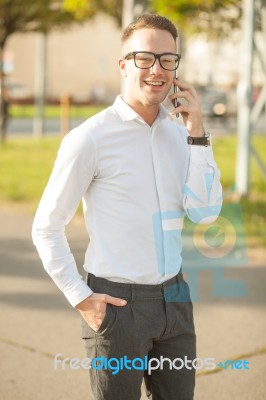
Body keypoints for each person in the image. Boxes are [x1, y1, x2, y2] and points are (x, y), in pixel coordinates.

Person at [32, 13, 222, 400]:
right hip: (116, 305)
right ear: (123, 65)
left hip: (175, 300)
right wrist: (80, 297)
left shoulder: (182, 134)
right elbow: (47, 226)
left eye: (168, 59)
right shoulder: (90, 139)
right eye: (145, 58)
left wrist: (197, 131)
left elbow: (206, 213)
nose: (157, 69)